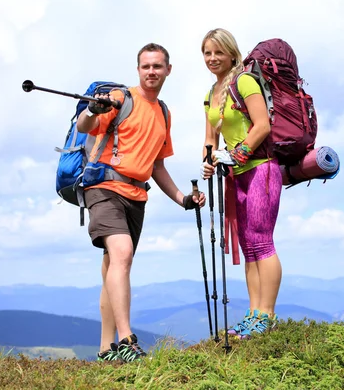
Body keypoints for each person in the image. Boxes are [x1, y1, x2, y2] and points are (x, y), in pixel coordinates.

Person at [75, 43, 205, 363]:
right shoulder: (120, 99)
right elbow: (84, 127)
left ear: (168, 70)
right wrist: (93, 109)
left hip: (137, 196)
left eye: (157, 66)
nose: (151, 72)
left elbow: (157, 166)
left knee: (112, 266)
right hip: (104, 187)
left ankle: (106, 350)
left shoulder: (163, 112)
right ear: (137, 69)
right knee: (122, 254)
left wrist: (182, 200)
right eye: (145, 66)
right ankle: (126, 341)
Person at [200, 28, 282, 339]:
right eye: (207, 53)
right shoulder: (211, 94)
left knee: (262, 241)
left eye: (218, 52)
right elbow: (210, 138)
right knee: (248, 245)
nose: (212, 58)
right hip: (237, 174)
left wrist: (237, 154)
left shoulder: (244, 82)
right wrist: (209, 160)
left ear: (232, 53)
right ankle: (253, 314)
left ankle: (267, 315)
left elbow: (262, 125)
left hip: (262, 168)